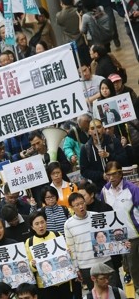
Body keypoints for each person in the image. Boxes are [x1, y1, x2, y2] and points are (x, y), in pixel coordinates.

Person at [64, 193, 120, 290]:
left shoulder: (97, 217)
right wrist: (76, 268)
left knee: (112, 290)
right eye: (77, 205)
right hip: (86, 266)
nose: (81, 206)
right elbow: (71, 248)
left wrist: (121, 244)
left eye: (82, 203)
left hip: (104, 261)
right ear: (71, 208)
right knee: (95, 293)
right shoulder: (68, 224)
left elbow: (108, 238)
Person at [99, 161, 139, 293]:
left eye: (114, 174)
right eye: (108, 174)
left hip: (132, 233)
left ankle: (138, 288)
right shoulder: (104, 191)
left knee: (134, 265)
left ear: (121, 173)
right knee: (122, 264)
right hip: (113, 236)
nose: (111, 177)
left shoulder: (132, 189)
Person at [25, 211, 72, 299]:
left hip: (63, 280)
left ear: (46, 221)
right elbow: (29, 266)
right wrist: (33, 265)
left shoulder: (57, 234)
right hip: (45, 285)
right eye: (37, 224)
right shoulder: (29, 242)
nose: (40, 226)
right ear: (32, 227)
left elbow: (68, 256)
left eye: (42, 222)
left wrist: (68, 254)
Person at [80, 119, 128, 190]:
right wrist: (101, 175)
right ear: (89, 132)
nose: (96, 130)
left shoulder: (114, 142)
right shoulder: (85, 148)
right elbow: (84, 171)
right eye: (93, 128)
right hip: (100, 188)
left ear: (103, 129)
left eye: (98, 127)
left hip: (120, 184)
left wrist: (109, 155)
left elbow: (124, 160)